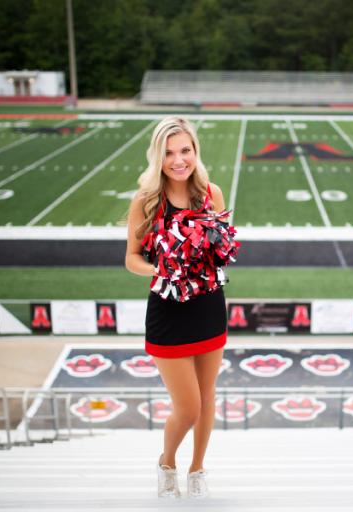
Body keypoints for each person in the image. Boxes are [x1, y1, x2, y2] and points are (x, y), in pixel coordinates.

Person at [124, 116, 228, 499]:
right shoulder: (146, 201)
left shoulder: (211, 194)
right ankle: (167, 462)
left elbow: (221, 244)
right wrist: (161, 269)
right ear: (158, 156)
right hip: (168, 311)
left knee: (208, 396)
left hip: (208, 306)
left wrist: (218, 254)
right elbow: (131, 258)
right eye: (169, 153)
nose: (178, 160)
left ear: (195, 152)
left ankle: (197, 469)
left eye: (185, 150)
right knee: (188, 407)